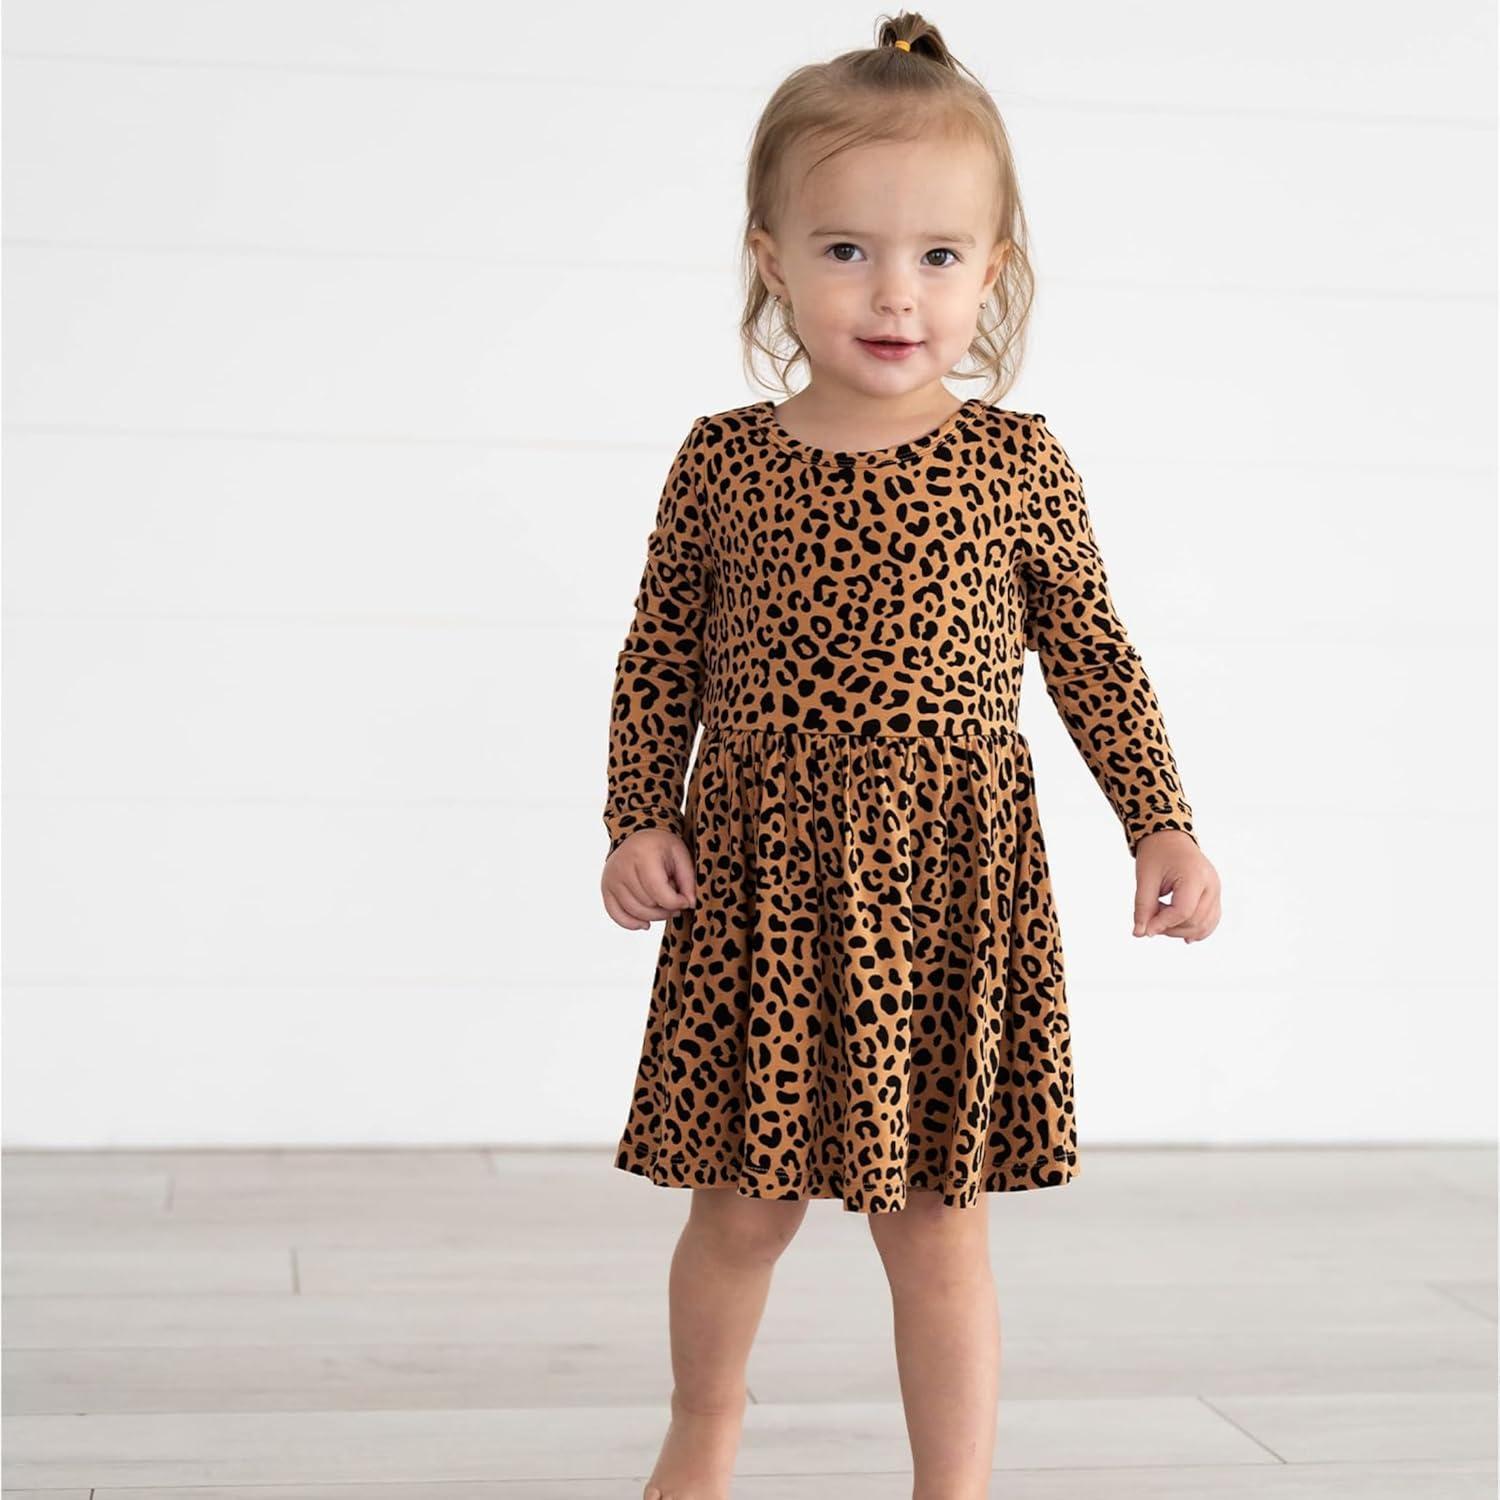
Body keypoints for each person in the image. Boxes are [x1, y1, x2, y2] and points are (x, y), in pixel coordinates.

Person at [599, 12, 1222, 1497]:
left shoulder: (1015, 463)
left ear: (993, 270)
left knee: (937, 1227)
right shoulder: (725, 461)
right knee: (740, 1209)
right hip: (758, 887)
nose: (896, 293)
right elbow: (661, 651)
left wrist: (1160, 820)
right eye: (847, 251)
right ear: (770, 258)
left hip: (948, 890)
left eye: (940, 255)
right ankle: (704, 1427)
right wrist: (637, 815)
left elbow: (1091, 654)